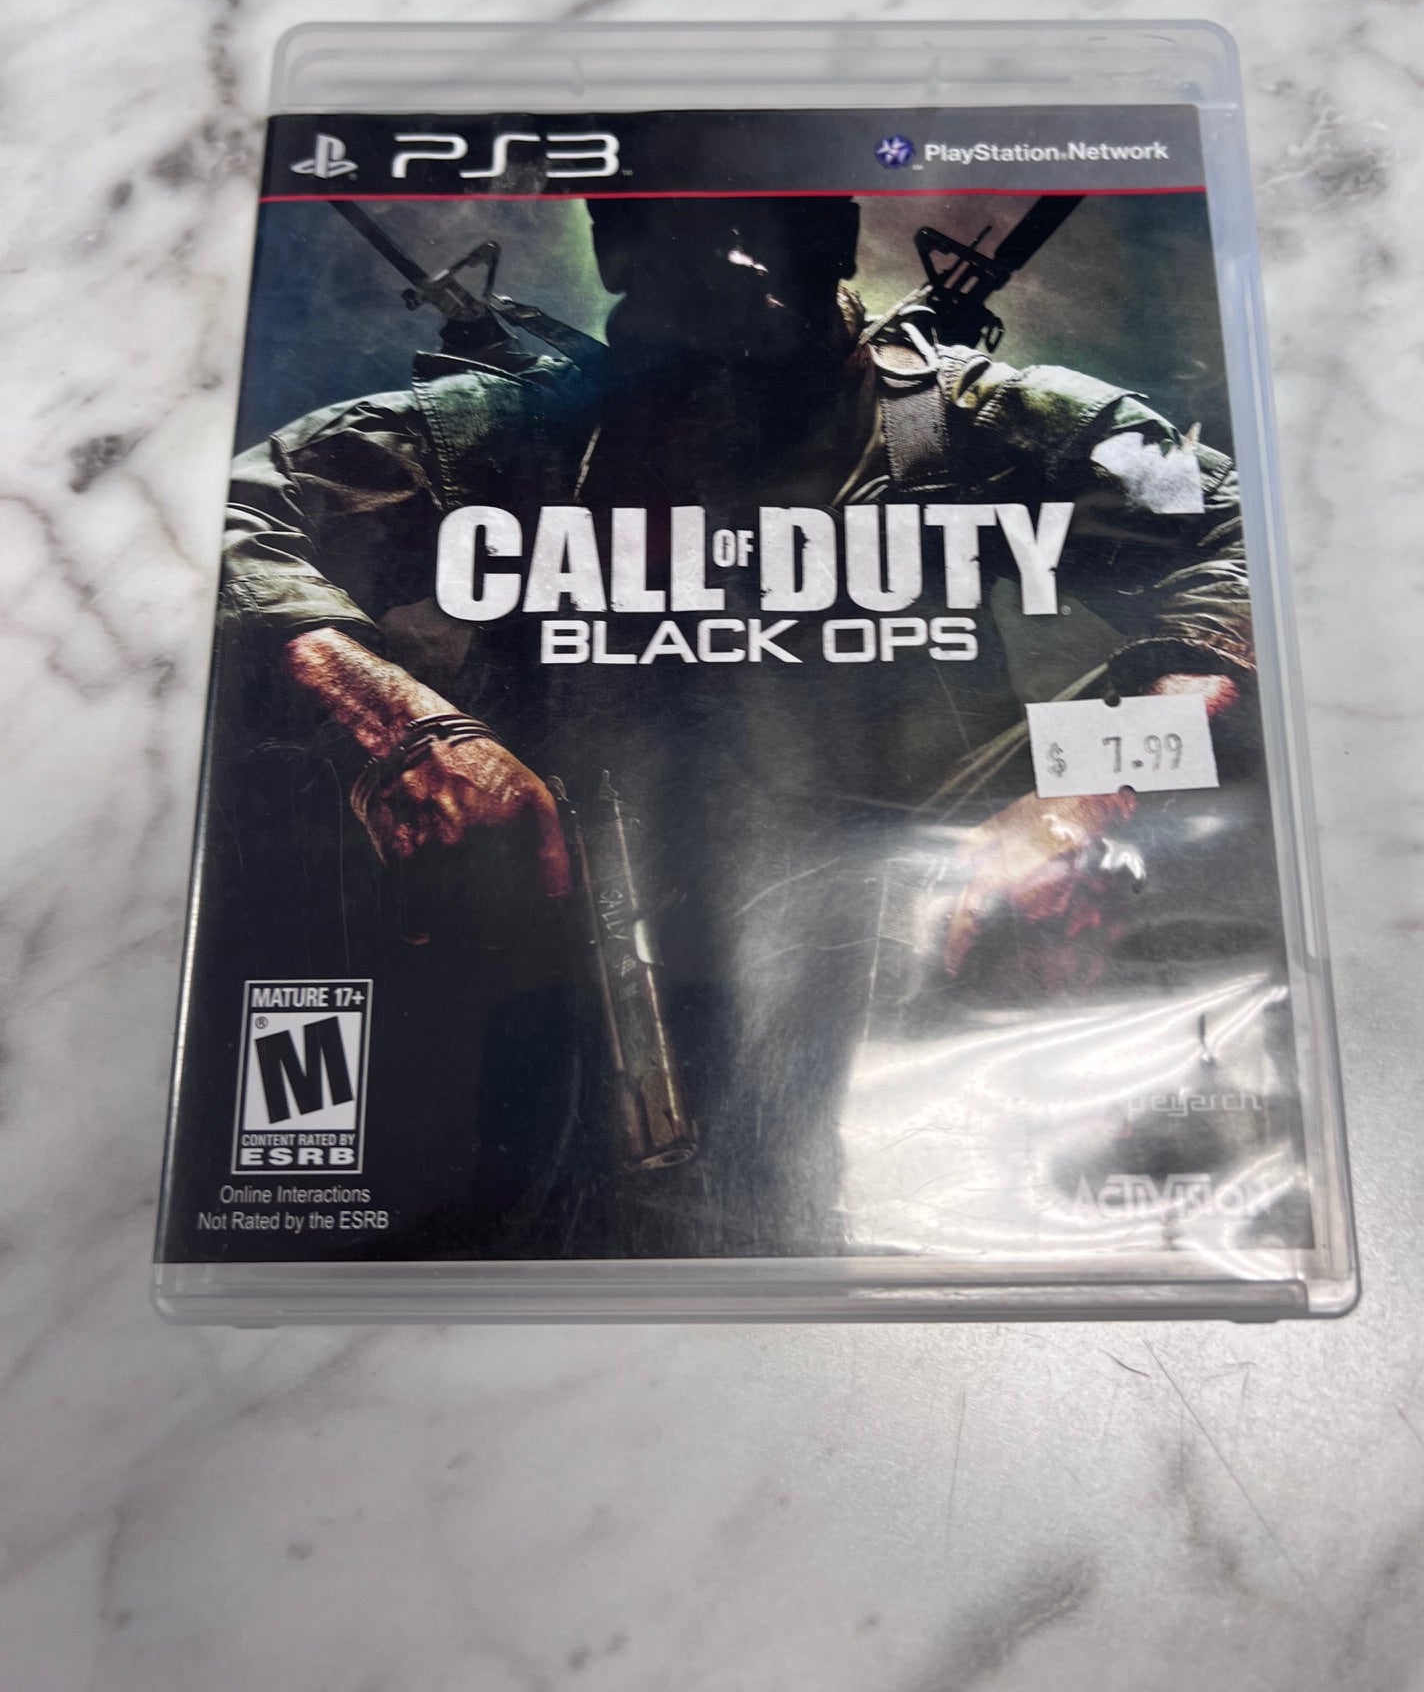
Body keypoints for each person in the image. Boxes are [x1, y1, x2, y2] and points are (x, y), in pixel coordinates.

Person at [217, 194, 1254, 1252]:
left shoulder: (973, 419)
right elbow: (231, 518)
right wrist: (399, 733)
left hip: (911, 942)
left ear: (837, 233)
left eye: (776, 220)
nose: (737, 256)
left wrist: (1096, 791)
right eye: (685, 222)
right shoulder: (506, 427)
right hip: (571, 937)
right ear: (613, 243)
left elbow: (1248, 539)